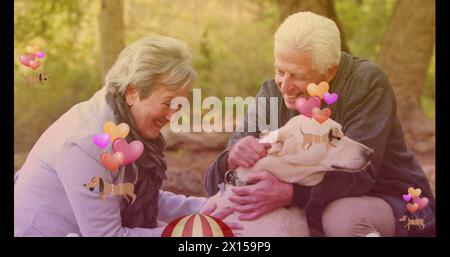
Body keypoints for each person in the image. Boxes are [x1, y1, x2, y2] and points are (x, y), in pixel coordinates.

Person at [204, 11, 435, 237]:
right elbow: (216, 182)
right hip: (311, 209)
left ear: (330, 71)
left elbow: (362, 175)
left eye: (298, 76)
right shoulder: (271, 94)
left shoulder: (366, 83)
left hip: (397, 204)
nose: (285, 86)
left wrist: (291, 194)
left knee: (342, 218)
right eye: (279, 71)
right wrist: (230, 159)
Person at [14, 36, 240, 237]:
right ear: (132, 92)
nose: (173, 115)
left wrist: (210, 209)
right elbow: (106, 235)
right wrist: (191, 233)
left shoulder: (125, 125)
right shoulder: (87, 142)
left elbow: (135, 197)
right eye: (168, 103)